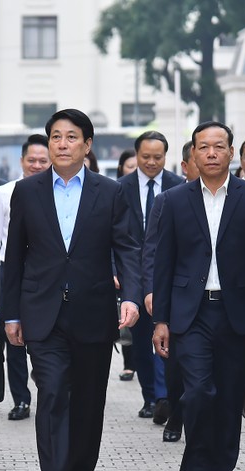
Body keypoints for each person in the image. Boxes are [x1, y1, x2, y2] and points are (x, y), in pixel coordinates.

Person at [3, 108, 141, 471]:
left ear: (87, 145)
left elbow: (128, 249)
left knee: (87, 401)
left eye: (71, 137)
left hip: (94, 312)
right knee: (51, 395)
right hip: (42, 313)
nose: (62, 144)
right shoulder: (27, 192)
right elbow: (14, 258)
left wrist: (131, 296)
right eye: (56, 137)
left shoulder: (111, 191)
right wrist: (11, 314)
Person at [152, 121, 245, 471]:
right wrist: (161, 319)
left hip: (236, 313)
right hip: (190, 315)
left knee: (227, 398)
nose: (211, 153)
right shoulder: (174, 200)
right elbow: (164, 261)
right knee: (198, 394)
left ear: (231, 153)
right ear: (192, 154)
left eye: (219, 146)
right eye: (203, 147)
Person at [118, 131, 183, 421]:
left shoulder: (179, 186)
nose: (152, 162)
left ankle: (165, 396)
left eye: (158, 157)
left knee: (167, 336)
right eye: (146, 157)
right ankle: (150, 397)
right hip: (133, 273)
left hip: (168, 273)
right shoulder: (119, 188)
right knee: (141, 338)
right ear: (136, 155)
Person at [141, 139, 200, 443]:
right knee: (176, 366)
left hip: (220, 301)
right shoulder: (169, 199)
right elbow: (154, 250)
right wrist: (153, 290)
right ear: (188, 164)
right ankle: (175, 414)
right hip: (180, 299)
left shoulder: (240, 197)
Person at [0, 134, 51, 421]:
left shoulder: (57, 192)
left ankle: (48, 393)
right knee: (13, 337)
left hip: (44, 274)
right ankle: (21, 399)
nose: (37, 165)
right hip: (10, 272)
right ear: (22, 161)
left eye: (43, 160)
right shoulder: (4, 193)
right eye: (32, 160)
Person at [115, 148, 138, 382]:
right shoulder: (118, 189)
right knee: (131, 328)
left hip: (150, 270)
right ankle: (130, 364)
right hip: (125, 272)